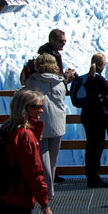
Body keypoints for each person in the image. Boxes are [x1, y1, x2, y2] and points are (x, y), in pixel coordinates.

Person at [22, 53, 67, 197]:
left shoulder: (33, 82)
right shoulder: (60, 82)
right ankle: (49, 189)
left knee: (41, 160)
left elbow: (24, 96)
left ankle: (45, 191)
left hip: (39, 123)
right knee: (53, 161)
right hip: (58, 123)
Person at [78, 53, 108, 188]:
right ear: (102, 65)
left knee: (90, 146)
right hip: (98, 116)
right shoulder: (99, 79)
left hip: (86, 115)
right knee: (98, 146)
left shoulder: (87, 78)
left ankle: (90, 175)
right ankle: (94, 177)